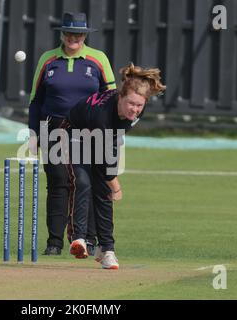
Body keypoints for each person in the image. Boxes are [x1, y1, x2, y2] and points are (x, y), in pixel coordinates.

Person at [28, 12, 117, 255]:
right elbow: (36, 100)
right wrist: (33, 133)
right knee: (57, 182)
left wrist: (109, 130)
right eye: (68, 33)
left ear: (85, 35)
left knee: (85, 182)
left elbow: (112, 97)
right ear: (62, 34)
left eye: (78, 34)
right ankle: (54, 242)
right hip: (52, 126)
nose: (73, 38)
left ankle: (87, 239)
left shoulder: (97, 59)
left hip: (87, 129)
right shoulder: (48, 59)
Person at [65, 63, 166, 269]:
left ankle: (107, 250)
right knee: (84, 182)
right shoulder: (102, 115)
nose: (135, 110)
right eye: (131, 104)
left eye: (139, 105)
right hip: (71, 135)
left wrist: (109, 184)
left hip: (100, 139)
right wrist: (116, 186)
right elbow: (106, 160)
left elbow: (111, 144)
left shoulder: (136, 112)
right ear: (120, 97)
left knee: (102, 192)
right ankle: (79, 239)